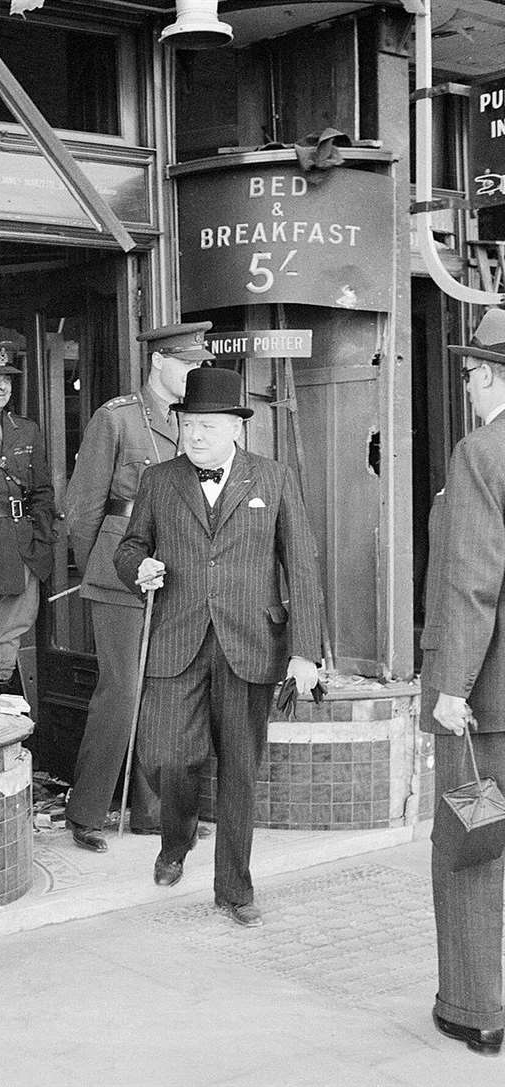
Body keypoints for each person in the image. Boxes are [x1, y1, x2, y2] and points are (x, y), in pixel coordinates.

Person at [113, 366, 323, 927]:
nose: (196, 435)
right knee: (166, 757)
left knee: (239, 770)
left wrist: (306, 651)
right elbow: (129, 546)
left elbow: (300, 565)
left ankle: (234, 889)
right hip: (176, 639)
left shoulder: (273, 478)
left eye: (208, 425)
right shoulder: (160, 480)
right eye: (188, 424)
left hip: (252, 641)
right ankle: (175, 839)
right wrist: (141, 566)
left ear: (236, 427)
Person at [63, 321, 216, 852]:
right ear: (159, 363)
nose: (196, 374)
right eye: (188, 365)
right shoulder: (119, 417)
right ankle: (86, 810)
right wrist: (99, 569)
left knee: (166, 693)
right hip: (118, 572)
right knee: (123, 693)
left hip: (176, 575)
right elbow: (81, 507)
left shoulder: (196, 422)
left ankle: (152, 812)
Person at [420, 307, 505, 1056]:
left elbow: (474, 581)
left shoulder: (482, 451)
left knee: (474, 845)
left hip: (487, 705)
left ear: (491, 375)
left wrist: (451, 687)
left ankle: (476, 1004)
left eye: (473, 373)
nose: (470, 385)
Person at [0, 341, 56, 694]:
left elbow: (42, 491)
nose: (1, 386)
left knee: (13, 627)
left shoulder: (26, 429)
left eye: (7, 379)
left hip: (22, 541)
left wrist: (41, 538)